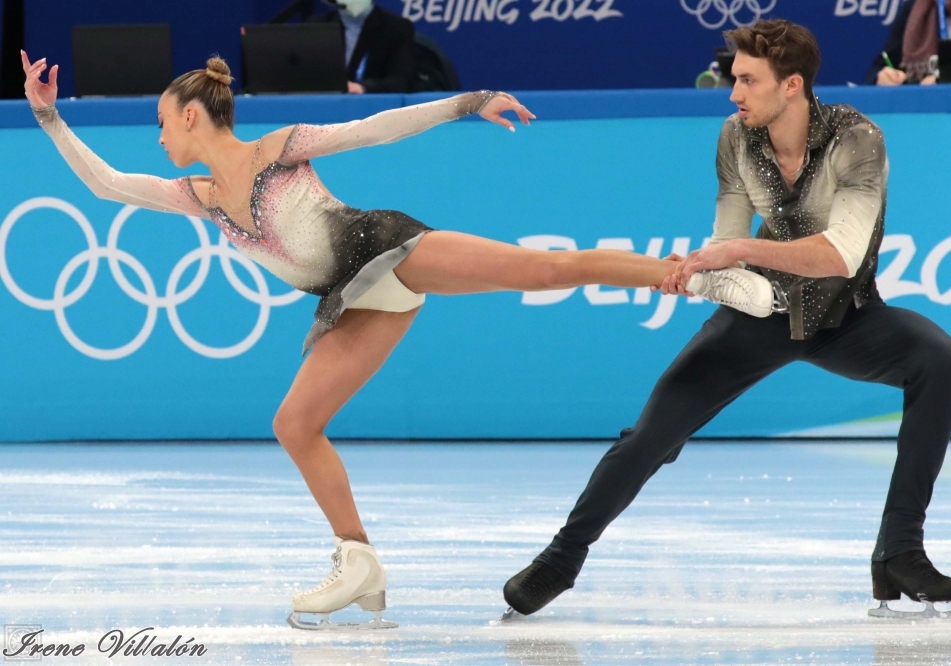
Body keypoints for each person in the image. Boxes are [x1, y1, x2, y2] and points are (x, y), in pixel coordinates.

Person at [20, 51, 773, 629]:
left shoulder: (278, 149)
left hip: (388, 250)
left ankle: (696, 277)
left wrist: (467, 102)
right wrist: (49, 117)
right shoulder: (197, 197)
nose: (156, 135)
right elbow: (108, 186)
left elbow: (373, 128)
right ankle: (360, 563)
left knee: (546, 267)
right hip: (354, 300)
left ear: (191, 116)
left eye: (161, 120)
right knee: (294, 423)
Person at [504, 19, 951, 622]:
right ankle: (560, 560)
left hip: (846, 315)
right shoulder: (735, 137)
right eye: (734, 79)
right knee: (650, 437)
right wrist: (698, 271)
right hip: (757, 316)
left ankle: (899, 551)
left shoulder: (857, 139)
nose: (733, 93)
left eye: (747, 80)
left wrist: (741, 251)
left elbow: (840, 254)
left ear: (792, 84)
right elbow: (726, 239)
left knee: (940, 359)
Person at [867, 0, 951, 85]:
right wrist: (881, 77)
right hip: (924, 116)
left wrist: (943, 81)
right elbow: (879, 67)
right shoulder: (914, 7)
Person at [309, 0, 416, 94]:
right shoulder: (316, 26)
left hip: (372, 107)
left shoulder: (397, 27)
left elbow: (401, 81)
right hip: (326, 105)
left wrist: (364, 88)